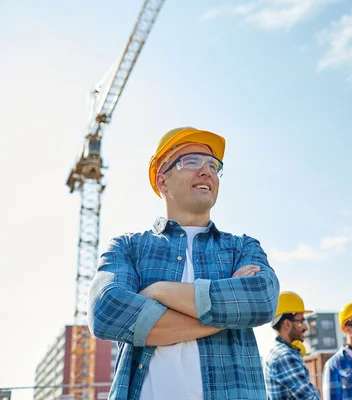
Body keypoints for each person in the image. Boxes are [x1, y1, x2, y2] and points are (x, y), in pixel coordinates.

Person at [88, 127, 280, 400]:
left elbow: (263, 299)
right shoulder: (128, 248)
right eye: (191, 161)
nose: (207, 171)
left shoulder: (243, 247)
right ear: (162, 181)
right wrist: (229, 314)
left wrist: (158, 291)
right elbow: (106, 312)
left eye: (213, 165)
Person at [264, 291, 320, 399]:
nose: (305, 327)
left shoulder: (280, 353)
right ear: (287, 324)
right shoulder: (285, 357)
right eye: (301, 321)